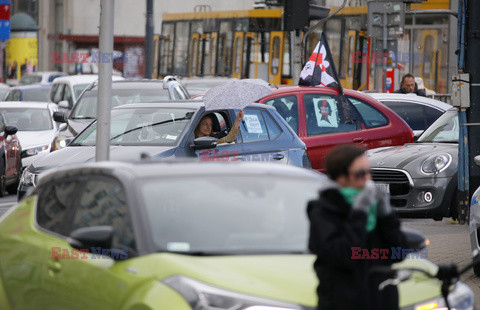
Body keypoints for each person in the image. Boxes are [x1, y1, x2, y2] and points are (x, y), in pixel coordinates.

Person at [307, 144, 406, 310]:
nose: (367, 179)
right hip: (345, 303)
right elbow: (344, 255)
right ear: (341, 178)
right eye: (360, 174)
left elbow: (399, 252)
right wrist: (359, 213)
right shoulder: (323, 211)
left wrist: (387, 214)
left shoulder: (374, 209)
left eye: (369, 172)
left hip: (382, 301)